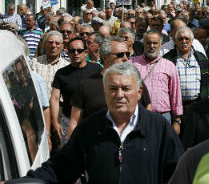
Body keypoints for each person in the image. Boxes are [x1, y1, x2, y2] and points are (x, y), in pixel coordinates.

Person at [26, 63, 184, 183]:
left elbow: (178, 173)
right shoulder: (91, 127)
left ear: (139, 92)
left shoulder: (158, 127)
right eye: (113, 88)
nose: (119, 95)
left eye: (126, 88)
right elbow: (61, 167)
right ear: (104, 92)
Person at [68, 37, 151, 138]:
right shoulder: (86, 85)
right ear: (105, 57)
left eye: (127, 54)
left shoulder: (136, 82)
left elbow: (148, 113)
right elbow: (74, 122)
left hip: (133, 144)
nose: (125, 58)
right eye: (120, 55)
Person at [50, 37, 102, 151]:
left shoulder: (97, 69)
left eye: (79, 50)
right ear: (67, 53)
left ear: (86, 52)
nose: (76, 53)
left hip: (94, 121)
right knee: (70, 157)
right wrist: (55, 121)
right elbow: (54, 98)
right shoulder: (61, 73)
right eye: (72, 51)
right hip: (68, 122)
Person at [131, 30, 182, 133]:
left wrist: (177, 121)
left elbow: (175, 94)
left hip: (163, 117)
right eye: (148, 43)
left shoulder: (169, 66)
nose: (152, 46)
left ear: (161, 44)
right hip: (137, 116)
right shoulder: (132, 63)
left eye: (155, 43)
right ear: (143, 44)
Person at [164, 26, 209, 105]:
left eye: (187, 39)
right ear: (175, 41)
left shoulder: (202, 58)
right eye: (180, 39)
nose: (184, 41)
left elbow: (208, 82)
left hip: (198, 104)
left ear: (192, 40)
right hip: (175, 105)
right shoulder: (167, 58)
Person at [31, 31, 70, 100]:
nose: (53, 45)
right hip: (39, 107)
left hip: (59, 107)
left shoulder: (67, 66)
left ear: (62, 46)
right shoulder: (34, 63)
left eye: (57, 43)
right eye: (50, 42)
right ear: (45, 44)